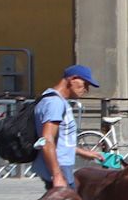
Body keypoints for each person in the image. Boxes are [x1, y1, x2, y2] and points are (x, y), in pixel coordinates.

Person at [32, 64, 104, 192]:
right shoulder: (55, 103)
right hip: (60, 167)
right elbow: (46, 140)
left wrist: (83, 153)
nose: (86, 90)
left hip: (59, 166)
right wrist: (57, 175)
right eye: (85, 84)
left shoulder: (51, 98)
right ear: (73, 79)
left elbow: (60, 140)